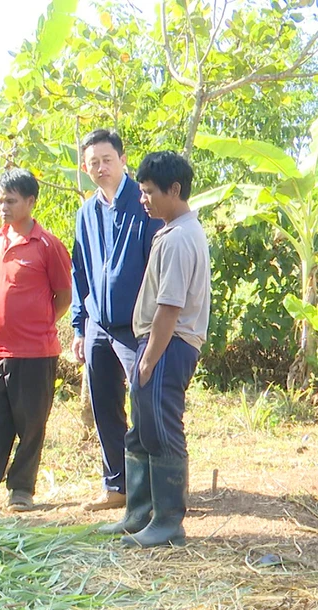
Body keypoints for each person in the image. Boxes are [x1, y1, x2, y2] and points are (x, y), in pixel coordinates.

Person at [100, 151, 210, 547]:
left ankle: (167, 522)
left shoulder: (181, 237)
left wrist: (147, 359)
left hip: (169, 343)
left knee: (161, 429)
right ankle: (140, 513)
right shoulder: (169, 230)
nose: (142, 198)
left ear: (174, 190)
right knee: (142, 430)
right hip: (158, 342)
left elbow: (170, 307)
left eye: (148, 192)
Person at [0, 168, 73, 513]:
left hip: (36, 353)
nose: (3, 206)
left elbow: (63, 296)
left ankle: (21, 490)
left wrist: (40, 324)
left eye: (11, 200)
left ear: (31, 202)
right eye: (0, 199)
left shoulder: (48, 245)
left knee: (31, 424)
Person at [71, 130, 163, 512]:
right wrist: (79, 325)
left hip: (136, 326)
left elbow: (158, 266)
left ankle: (159, 485)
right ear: (85, 167)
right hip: (97, 325)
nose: (101, 168)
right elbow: (79, 271)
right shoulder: (86, 212)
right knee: (104, 404)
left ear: (123, 160)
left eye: (107, 160)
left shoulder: (142, 204)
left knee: (146, 401)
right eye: (93, 162)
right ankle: (117, 486)